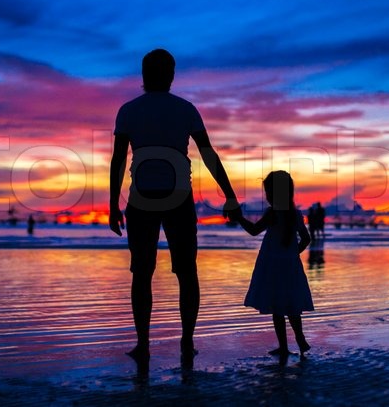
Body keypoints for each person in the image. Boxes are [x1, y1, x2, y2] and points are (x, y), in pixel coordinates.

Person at [109, 48, 241, 363]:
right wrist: (230, 194)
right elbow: (209, 154)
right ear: (171, 75)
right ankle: (186, 341)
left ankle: (143, 344)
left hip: (140, 200)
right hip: (178, 199)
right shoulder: (186, 109)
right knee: (186, 271)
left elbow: (117, 162)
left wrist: (113, 204)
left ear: (143, 76)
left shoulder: (128, 110)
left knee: (142, 273)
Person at [235, 170, 313, 357]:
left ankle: (284, 347)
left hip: (272, 266)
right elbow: (306, 238)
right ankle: (300, 339)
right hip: (290, 266)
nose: (267, 197)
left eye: (268, 192)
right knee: (292, 305)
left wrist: (238, 218)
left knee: (277, 307)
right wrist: (292, 254)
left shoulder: (273, 213)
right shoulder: (295, 213)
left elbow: (254, 230)